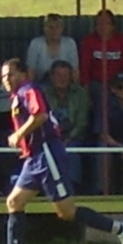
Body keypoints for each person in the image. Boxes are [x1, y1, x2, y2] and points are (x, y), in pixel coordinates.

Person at [0, 58, 123, 244]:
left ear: (23, 74)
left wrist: (18, 134)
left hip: (47, 154)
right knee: (14, 201)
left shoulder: (29, 90)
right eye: (3, 77)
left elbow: (41, 115)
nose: (6, 80)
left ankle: (120, 229)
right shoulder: (17, 96)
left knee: (66, 212)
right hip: (34, 157)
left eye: (10, 75)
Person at [42, 60, 89, 190]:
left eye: (65, 75)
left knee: (71, 152)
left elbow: (82, 122)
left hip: (74, 136)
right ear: (51, 77)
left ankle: (72, 187)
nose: (62, 79)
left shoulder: (80, 94)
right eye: (58, 75)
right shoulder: (43, 94)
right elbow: (41, 118)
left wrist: (69, 138)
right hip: (50, 136)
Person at [79, 9, 123, 103]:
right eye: (99, 24)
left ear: (113, 26)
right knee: (102, 96)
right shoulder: (89, 41)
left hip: (118, 81)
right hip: (96, 83)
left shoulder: (122, 41)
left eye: (107, 24)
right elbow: (85, 69)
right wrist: (86, 93)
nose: (102, 27)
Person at [26, 13, 80, 84]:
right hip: (43, 83)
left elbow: (75, 70)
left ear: (62, 29)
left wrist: (77, 90)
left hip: (65, 84)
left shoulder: (70, 43)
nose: (54, 31)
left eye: (57, 27)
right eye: (50, 27)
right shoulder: (35, 44)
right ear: (44, 29)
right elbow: (31, 71)